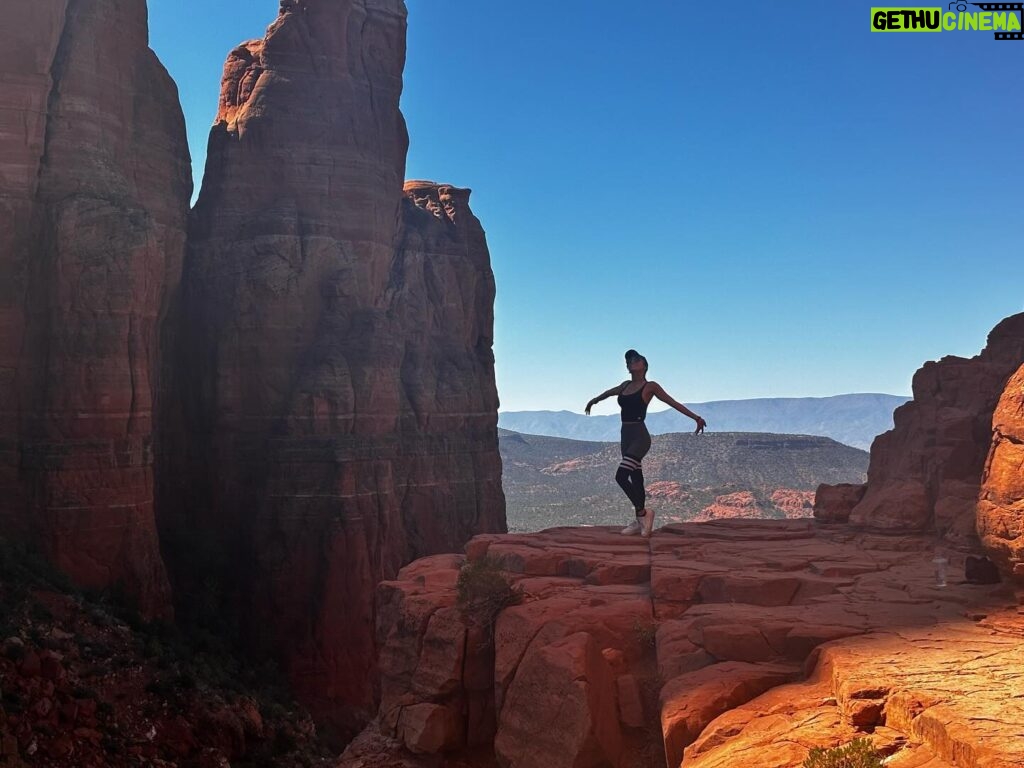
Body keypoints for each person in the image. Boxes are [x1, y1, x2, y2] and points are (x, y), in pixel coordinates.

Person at [585, 349, 706, 537]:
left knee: (621, 476)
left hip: (640, 437)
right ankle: (640, 521)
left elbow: (672, 402)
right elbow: (609, 393)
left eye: (635, 360)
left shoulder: (650, 386)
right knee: (636, 478)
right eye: (628, 361)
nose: (631, 362)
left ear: (644, 365)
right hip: (625, 436)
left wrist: (696, 417)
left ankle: (644, 513)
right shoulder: (625, 385)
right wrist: (594, 401)